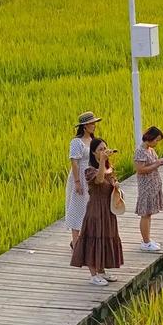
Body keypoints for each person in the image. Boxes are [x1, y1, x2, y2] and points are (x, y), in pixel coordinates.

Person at [71, 137, 124, 286]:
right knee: (94, 238)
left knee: (106, 237)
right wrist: (102, 161)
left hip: (108, 211)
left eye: (104, 148)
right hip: (96, 210)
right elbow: (99, 180)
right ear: (93, 153)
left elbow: (108, 181)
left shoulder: (109, 167)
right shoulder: (90, 170)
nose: (103, 151)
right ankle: (93, 274)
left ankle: (102, 271)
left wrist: (115, 185)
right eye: (100, 149)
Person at [65, 111, 101, 248]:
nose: (94, 126)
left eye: (94, 123)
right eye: (91, 123)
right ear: (84, 126)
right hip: (80, 176)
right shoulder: (76, 142)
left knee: (89, 209)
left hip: (91, 176)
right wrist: (77, 182)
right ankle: (75, 243)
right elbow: (74, 162)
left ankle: (84, 241)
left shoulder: (93, 140)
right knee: (77, 208)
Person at [134, 126, 163, 253]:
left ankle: (147, 239)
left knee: (149, 214)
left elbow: (151, 164)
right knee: (145, 214)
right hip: (146, 186)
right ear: (150, 138)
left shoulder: (150, 150)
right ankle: (146, 242)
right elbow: (140, 170)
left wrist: (158, 162)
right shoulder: (140, 151)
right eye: (156, 140)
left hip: (153, 184)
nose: (156, 143)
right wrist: (156, 164)